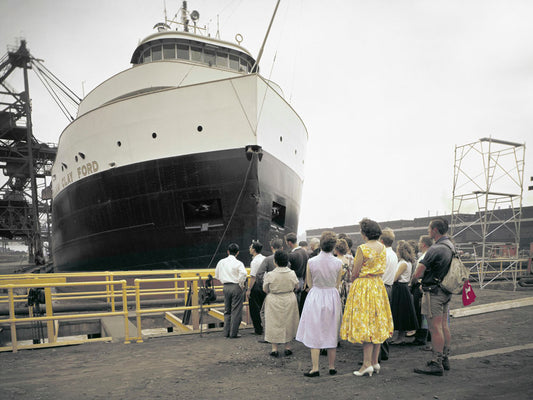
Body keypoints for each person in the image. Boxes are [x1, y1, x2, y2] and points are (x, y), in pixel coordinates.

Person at [340, 218, 393, 377]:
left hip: (364, 286)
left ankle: (366, 364)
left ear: (364, 233)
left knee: (366, 324)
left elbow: (355, 272)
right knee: (377, 323)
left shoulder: (363, 249)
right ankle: (375, 362)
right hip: (378, 285)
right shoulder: (383, 248)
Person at [296, 231, 343, 377]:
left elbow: (309, 283)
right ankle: (331, 366)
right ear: (334, 246)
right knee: (331, 330)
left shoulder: (312, 261)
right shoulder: (338, 262)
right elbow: (337, 283)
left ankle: (315, 368)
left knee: (315, 329)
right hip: (331, 295)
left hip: (316, 295)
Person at [412, 218, 454, 376]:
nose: (428, 231)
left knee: (434, 328)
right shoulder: (450, 246)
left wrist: (415, 282)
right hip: (445, 290)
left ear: (435, 230)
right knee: (443, 325)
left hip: (433, 292)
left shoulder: (435, 249)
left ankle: (436, 363)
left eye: (430, 229)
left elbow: (418, 273)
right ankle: (444, 358)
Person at [263, 250, 300, 357]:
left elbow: (265, 289)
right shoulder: (291, 273)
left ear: (275, 262)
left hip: (274, 299)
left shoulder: (270, 274)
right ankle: (288, 347)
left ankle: (274, 348)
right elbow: (297, 286)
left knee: (273, 323)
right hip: (289, 298)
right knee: (289, 322)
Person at [214, 243, 247, 339]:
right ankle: (233, 333)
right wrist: (241, 284)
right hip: (236, 286)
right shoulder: (239, 263)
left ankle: (226, 332)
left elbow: (217, 275)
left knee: (227, 310)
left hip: (225, 287)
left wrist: (223, 281)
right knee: (236, 311)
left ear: (228, 251)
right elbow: (243, 274)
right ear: (237, 253)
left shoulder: (221, 262)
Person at [254, 238, 284, 342]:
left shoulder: (268, 259)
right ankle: (282, 336)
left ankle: (269, 336)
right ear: (282, 247)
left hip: (272, 291)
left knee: (264, 312)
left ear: (271, 247)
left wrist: (263, 285)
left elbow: (259, 274)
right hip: (284, 291)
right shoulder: (286, 259)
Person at [390, 240, 419, 345]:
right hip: (403, 288)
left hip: (400, 288)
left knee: (400, 312)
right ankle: (399, 336)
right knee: (401, 312)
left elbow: (394, 278)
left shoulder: (403, 263)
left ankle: (400, 337)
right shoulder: (408, 262)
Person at [409, 235, 434, 347]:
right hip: (427, 285)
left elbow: (417, 273)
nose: (418, 244)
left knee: (420, 311)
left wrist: (412, 282)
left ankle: (421, 336)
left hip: (420, 286)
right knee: (426, 312)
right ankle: (427, 334)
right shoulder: (431, 254)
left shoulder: (424, 256)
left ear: (423, 244)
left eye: (419, 242)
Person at [378, 227, 398, 361]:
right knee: (384, 320)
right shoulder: (394, 254)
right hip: (390, 287)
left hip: (381, 287)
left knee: (377, 320)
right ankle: (383, 351)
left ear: (382, 240)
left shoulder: (382, 254)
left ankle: (376, 354)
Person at [247, 240, 266, 335]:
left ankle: (258, 329)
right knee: (264, 308)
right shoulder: (264, 258)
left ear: (254, 250)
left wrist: (249, 289)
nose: (249, 249)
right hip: (264, 285)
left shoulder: (254, 261)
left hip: (256, 286)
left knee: (254, 308)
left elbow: (253, 277)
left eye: (250, 247)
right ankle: (266, 328)